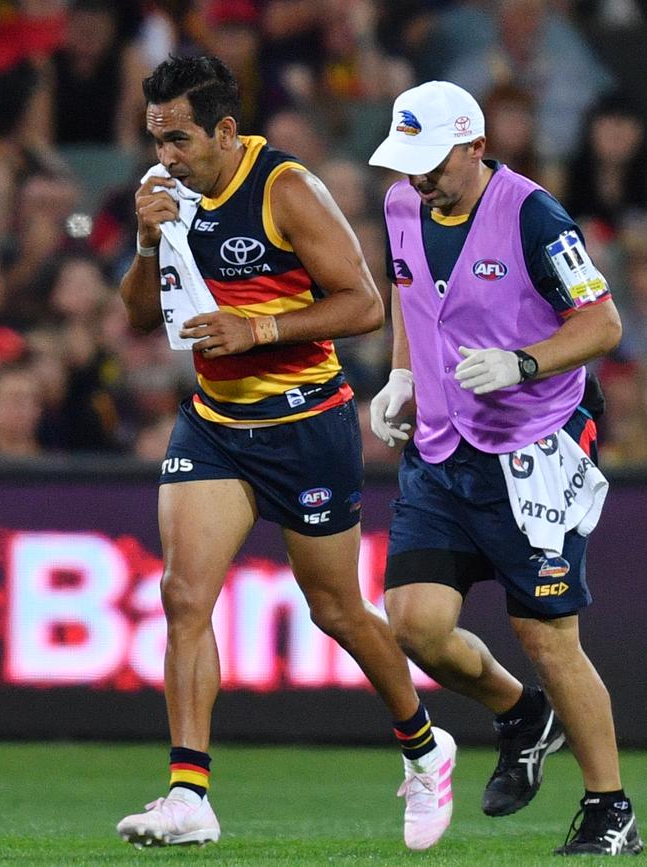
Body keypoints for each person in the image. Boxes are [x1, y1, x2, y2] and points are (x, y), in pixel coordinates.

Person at [115, 55, 456, 852]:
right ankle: (189, 791)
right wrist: (143, 243)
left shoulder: (285, 189)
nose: (166, 155)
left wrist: (257, 328)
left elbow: (366, 304)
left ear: (226, 131)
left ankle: (423, 744)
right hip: (214, 423)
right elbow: (138, 318)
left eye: (181, 139)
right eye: (156, 137)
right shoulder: (166, 195)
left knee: (335, 607)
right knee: (182, 595)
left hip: (305, 423)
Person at [368, 80, 643, 856]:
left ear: (475, 147)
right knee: (414, 621)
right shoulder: (400, 205)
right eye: (409, 161)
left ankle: (609, 807)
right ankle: (522, 712)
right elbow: (408, 292)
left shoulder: (532, 214)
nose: (419, 177)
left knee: (548, 633)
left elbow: (603, 322)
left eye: (433, 161)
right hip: (442, 445)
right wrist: (404, 374)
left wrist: (525, 361)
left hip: (534, 450)